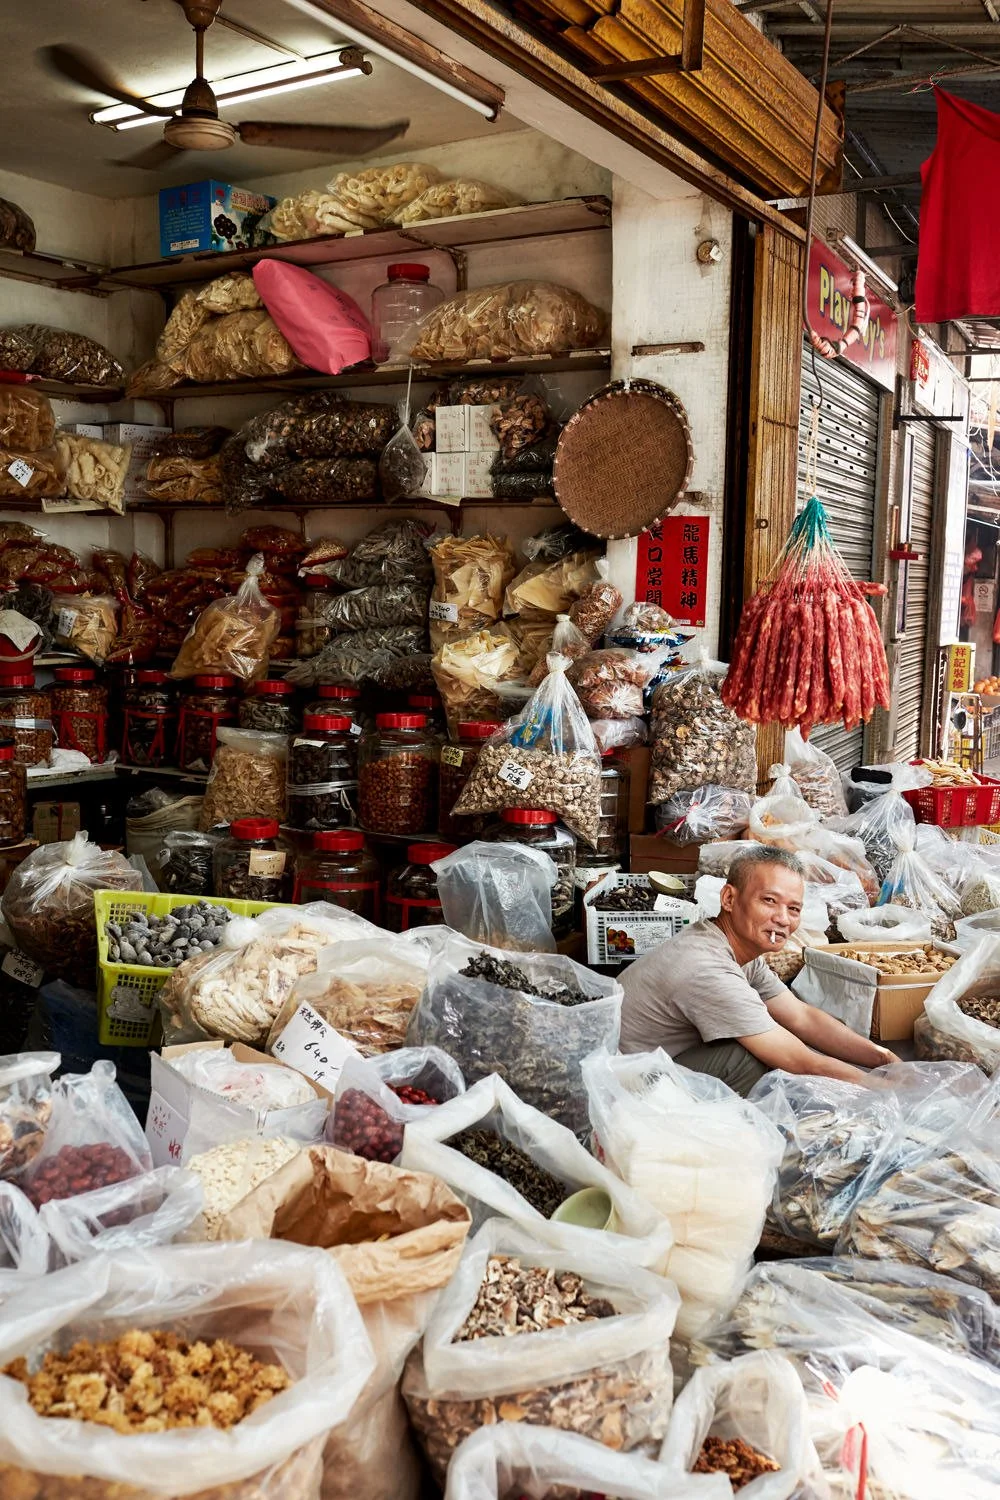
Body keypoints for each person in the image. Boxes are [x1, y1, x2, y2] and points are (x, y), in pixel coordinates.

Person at [619, 845, 894, 1096]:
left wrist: (883, 1058)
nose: (783, 919)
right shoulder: (706, 968)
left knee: (783, 1039)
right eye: (769, 901)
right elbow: (800, 1061)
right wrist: (887, 1090)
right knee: (752, 1059)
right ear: (729, 899)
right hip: (624, 1088)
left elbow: (802, 1017)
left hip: (654, 1063)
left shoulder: (739, 951)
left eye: (794, 908)